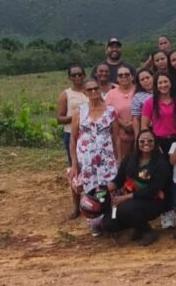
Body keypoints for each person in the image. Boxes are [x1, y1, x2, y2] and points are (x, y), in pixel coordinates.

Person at [69, 79, 121, 235]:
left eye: (96, 88)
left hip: (106, 159)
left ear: (100, 90)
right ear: (85, 92)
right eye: (89, 89)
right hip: (87, 161)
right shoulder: (79, 112)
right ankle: (94, 222)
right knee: (91, 191)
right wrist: (74, 164)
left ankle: (112, 221)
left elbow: (116, 137)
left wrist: (118, 159)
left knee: (110, 190)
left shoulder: (110, 111)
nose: (93, 92)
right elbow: (73, 139)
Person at [103, 129, 172, 246]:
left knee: (125, 208)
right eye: (142, 141)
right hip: (128, 200)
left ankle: (148, 232)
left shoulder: (161, 163)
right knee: (108, 223)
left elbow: (152, 191)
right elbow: (118, 181)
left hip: (153, 201)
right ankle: (137, 226)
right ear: (137, 143)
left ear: (155, 142)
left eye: (150, 141)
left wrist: (125, 197)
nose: (146, 143)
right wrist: (101, 190)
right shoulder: (129, 158)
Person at [57, 64, 89, 219]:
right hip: (72, 135)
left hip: (89, 136)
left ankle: (91, 202)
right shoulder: (66, 94)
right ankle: (76, 206)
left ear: (84, 75)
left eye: (79, 74)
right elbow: (59, 118)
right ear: (69, 77)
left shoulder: (90, 91)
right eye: (74, 75)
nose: (77, 77)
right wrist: (77, 117)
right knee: (75, 169)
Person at [142, 71, 176, 153]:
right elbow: (144, 126)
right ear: (156, 85)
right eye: (160, 83)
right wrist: (154, 142)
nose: (163, 85)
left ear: (170, 83)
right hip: (158, 141)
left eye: (165, 82)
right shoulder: (149, 102)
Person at [108, 65, 138, 157]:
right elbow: (109, 113)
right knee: (123, 161)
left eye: (127, 74)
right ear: (117, 78)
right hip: (120, 136)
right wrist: (123, 124)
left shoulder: (139, 90)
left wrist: (133, 123)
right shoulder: (111, 94)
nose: (124, 76)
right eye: (120, 75)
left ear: (132, 76)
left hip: (139, 134)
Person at [130, 68, 155, 145]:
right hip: (148, 129)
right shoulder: (137, 96)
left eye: (147, 77)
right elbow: (136, 119)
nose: (145, 81)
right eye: (142, 79)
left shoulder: (163, 91)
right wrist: (137, 137)